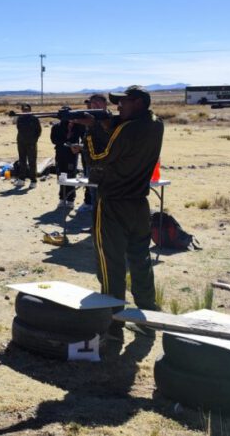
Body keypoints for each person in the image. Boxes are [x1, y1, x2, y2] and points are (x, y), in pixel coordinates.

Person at [78, 85, 163, 340]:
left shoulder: (127, 129)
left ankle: (112, 323)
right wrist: (108, 123)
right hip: (138, 203)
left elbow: (98, 157)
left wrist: (91, 129)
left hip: (114, 203)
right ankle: (148, 317)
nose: (118, 107)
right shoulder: (156, 123)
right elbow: (125, 138)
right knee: (140, 260)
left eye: (123, 103)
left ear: (137, 102)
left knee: (110, 264)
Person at [71, 93, 107, 211]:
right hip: (92, 165)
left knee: (104, 199)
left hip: (105, 166)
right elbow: (92, 143)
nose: (94, 105)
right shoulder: (92, 121)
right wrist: (81, 147)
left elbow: (107, 143)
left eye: (98, 102)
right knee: (94, 197)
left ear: (105, 104)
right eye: (92, 102)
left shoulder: (108, 120)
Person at [50, 116, 85, 208]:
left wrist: (79, 147)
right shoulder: (57, 127)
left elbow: (84, 138)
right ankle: (62, 198)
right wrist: (67, 143)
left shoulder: (78, 126)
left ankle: (70, 199)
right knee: (61, 175)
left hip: (72, 155)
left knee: (71, 176)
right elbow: (54, 140)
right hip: (60, 154)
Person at [14, 103, 42, 188]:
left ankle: (33, 180)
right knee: (22, 161)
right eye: (24, 109)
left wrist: (34, 140)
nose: (25, 111)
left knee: (32, 162)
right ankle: (22, 179)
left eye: (27, 109)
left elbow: (39, 130)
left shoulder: (34, 118)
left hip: (31, 143)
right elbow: (18, 128)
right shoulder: (20, 118)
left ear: (30, 110)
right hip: (21, 142)